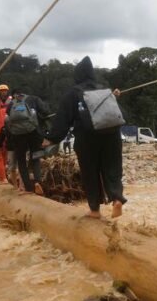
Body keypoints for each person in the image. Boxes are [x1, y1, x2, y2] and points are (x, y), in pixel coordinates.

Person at [45, 56, 127, 219]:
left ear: (78, 74)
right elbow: (120, 114)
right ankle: (117, 198)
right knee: (112, 169)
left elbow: (63, 119)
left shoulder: (73, 93)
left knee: (90, 172)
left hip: (87, 138)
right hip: (112, 136)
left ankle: (95, 210)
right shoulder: (104, 89)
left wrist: (51, 139)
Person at [3, 89, 52, 195]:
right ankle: (37, 182)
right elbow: (46, 112)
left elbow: (7, 120)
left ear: (14, 95)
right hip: (34, 132)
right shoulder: (34, 99)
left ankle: (28, 188)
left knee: (21, 161)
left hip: (18, 135)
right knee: (35, 158)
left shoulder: (11, 104)